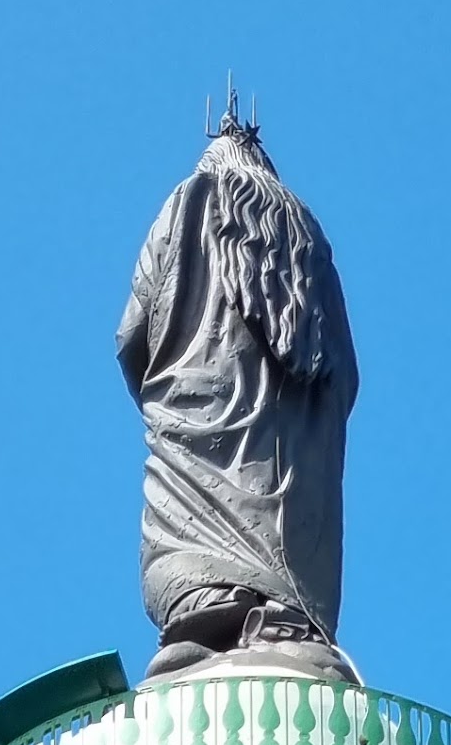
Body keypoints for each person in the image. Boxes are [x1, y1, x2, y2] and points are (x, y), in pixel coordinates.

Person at [117, 113, 361, 681]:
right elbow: (344, 372)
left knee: (186, 513)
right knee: (288, 516)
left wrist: (168, 377)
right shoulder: (308, 234)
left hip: (194, 403)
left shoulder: (187, 201)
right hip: (293, 435)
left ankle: (201, 613)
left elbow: (133, 334)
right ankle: (289, 621)